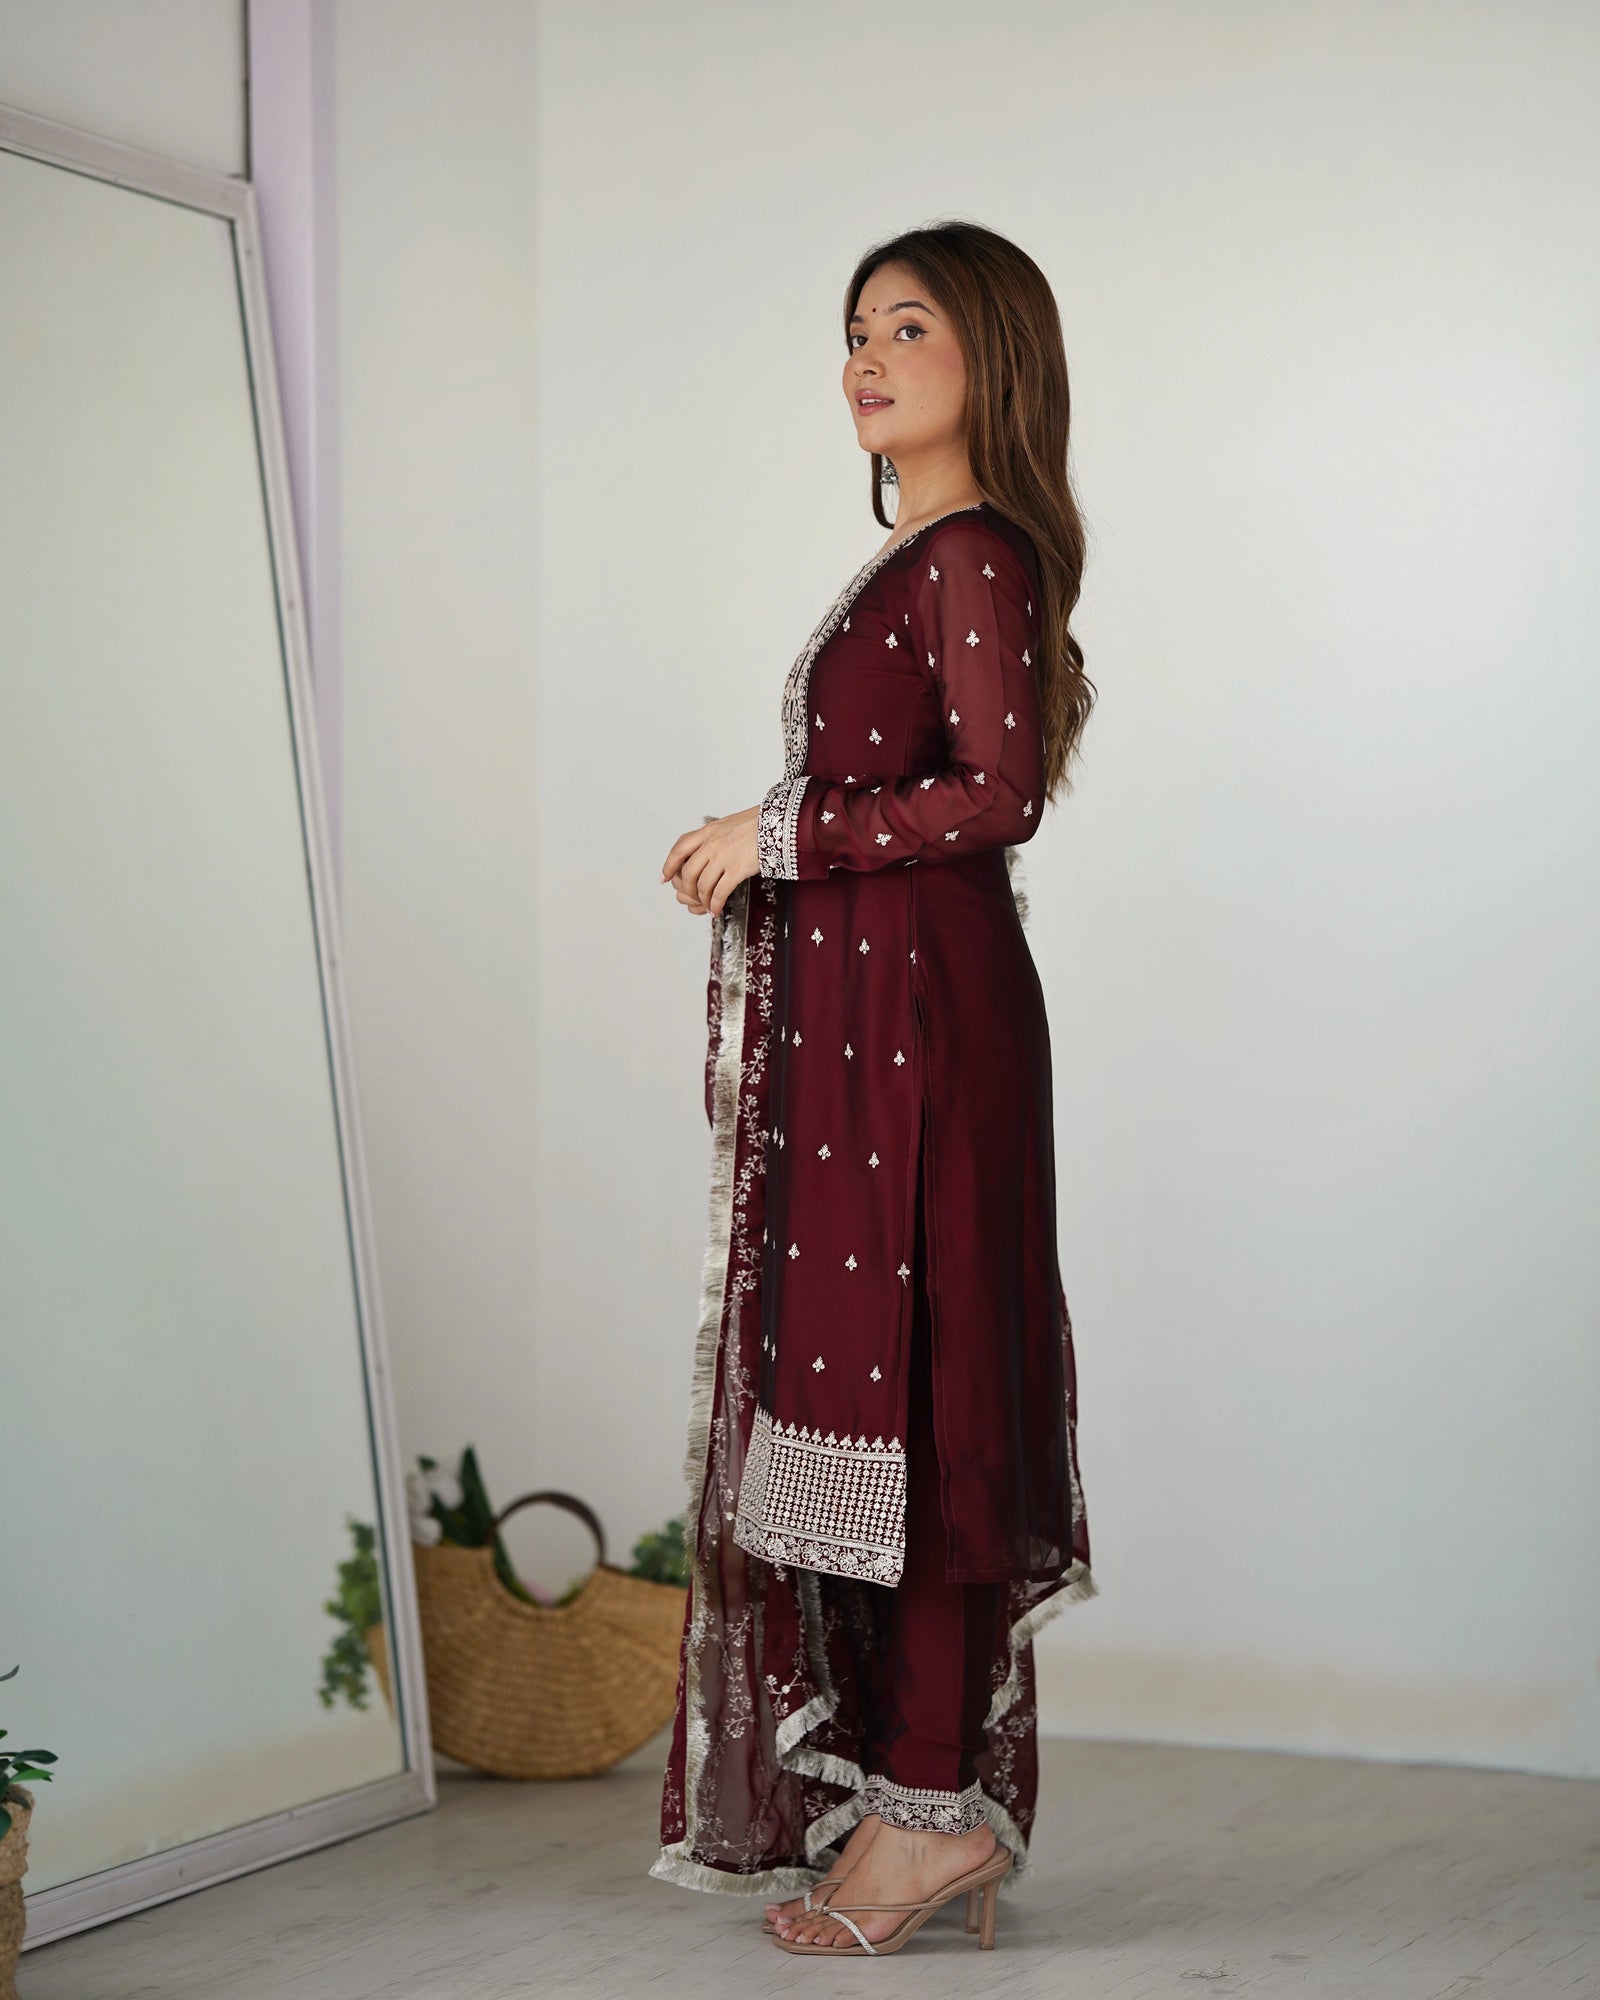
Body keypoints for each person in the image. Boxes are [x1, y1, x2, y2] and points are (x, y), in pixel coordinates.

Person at [652, 219, 1097, 1957]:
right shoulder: (914, 561)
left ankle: (930, 1816)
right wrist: (776, 851)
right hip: (875, 1027)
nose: (866, 353)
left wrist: (773, 835)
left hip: (923, 1041)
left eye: (908, 325)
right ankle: (907, 1803)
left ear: (994, 356)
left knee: (928, 1399)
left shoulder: (975, 552)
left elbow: (996, 795)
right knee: (871, 1402)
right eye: (853, 328)